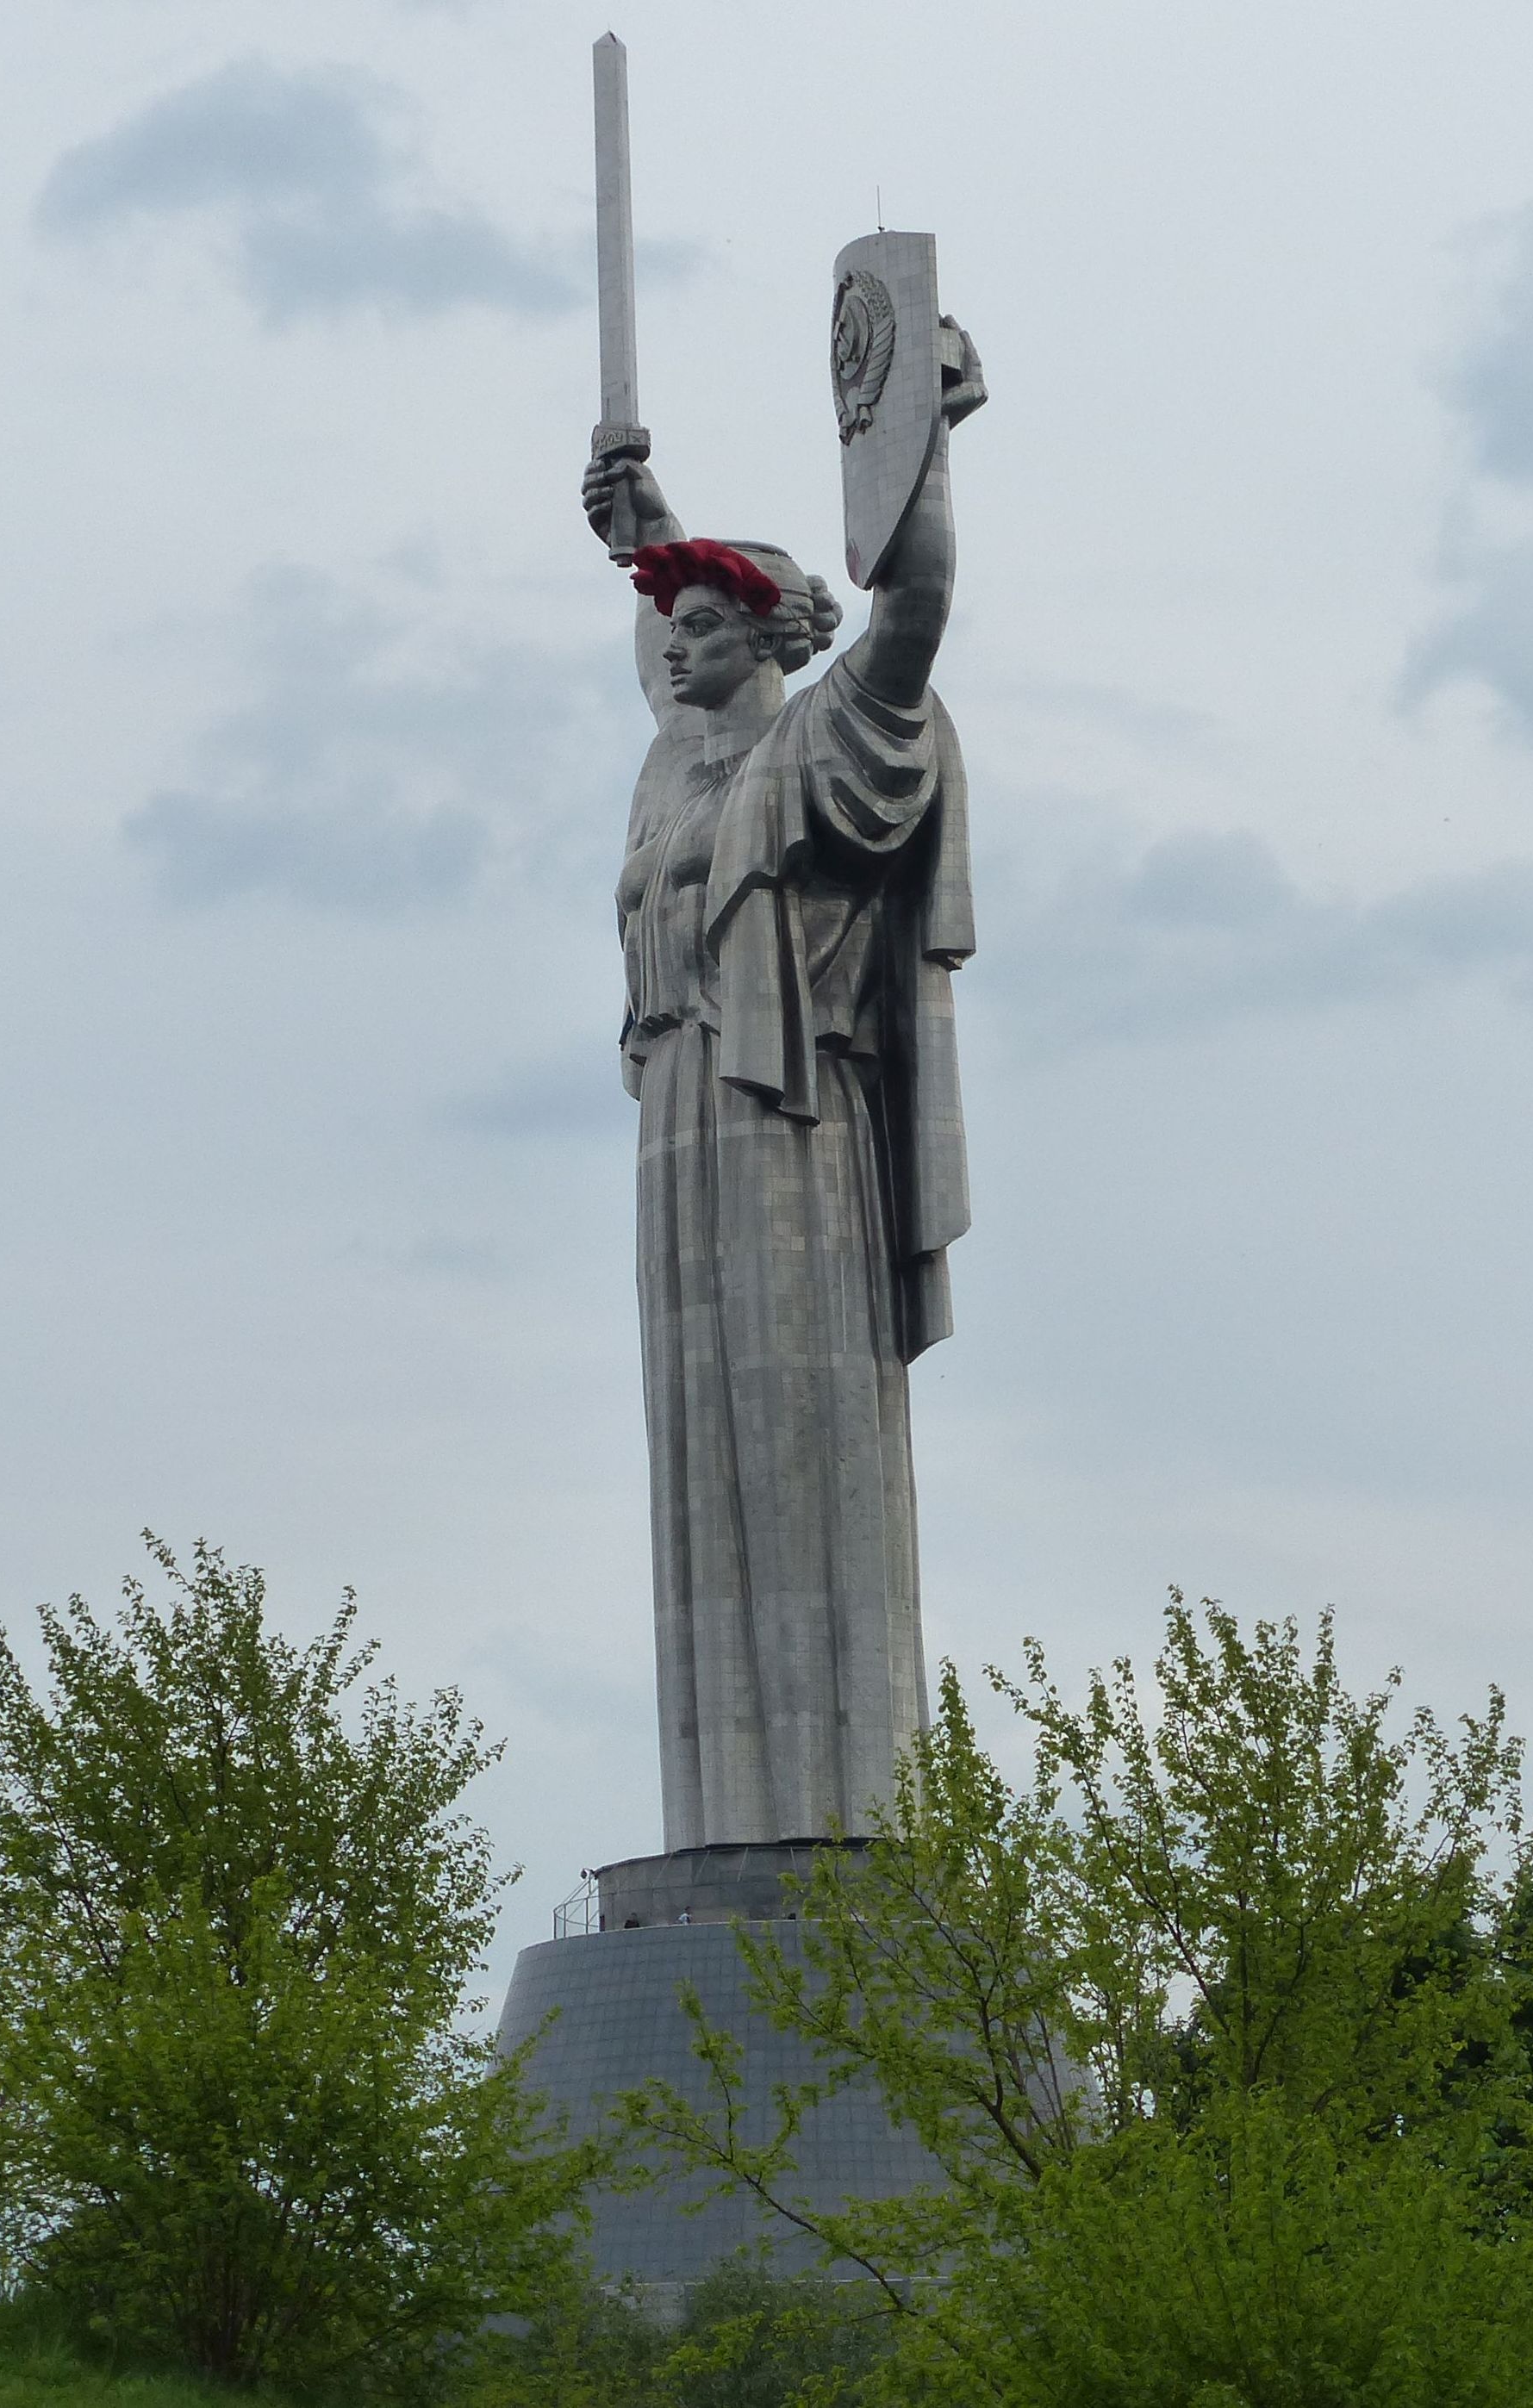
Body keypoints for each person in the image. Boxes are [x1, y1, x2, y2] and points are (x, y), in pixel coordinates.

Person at [582, 324, 986, 1852]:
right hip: (680, 1124)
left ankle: (847, 1820)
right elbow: (660, 629)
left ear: (763, 642)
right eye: (667, 624)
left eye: (699, 623)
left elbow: (916, 606)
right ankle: (724, 1829)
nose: (668, 642)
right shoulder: (675, 765)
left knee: (799, 1435)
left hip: (792, 1123)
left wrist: (918, 448)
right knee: (701, 1451)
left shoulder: (827, 742)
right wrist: (642, 518)